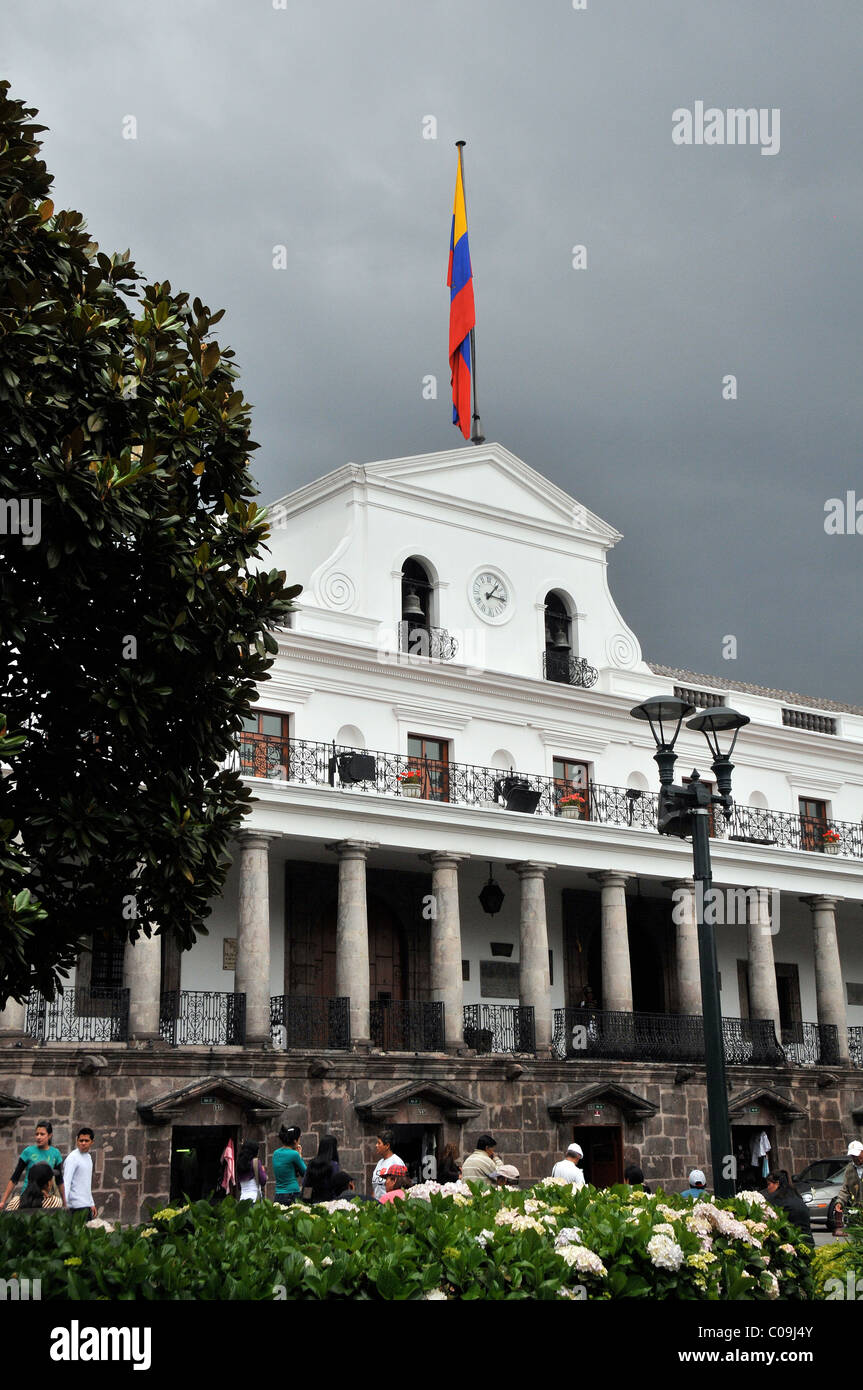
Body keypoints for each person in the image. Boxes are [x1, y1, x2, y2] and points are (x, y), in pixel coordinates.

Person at [0, 1121, 65, 1211]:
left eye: (42, 1134)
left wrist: (65, 1203)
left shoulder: (55, 1153)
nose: (38, 1137)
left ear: (50, 1135)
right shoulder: (28, 1152)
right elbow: (15, 1178)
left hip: (45, 1197)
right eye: (37, 1134)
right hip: (27, 1197)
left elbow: (59, 1181)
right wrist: (3, 1201)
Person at [764, 1170, 813, 1247]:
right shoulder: (795, 1194)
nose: (767, 1188)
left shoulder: (777, 1199)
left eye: (769, 1184)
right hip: (809, 1240)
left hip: (793, 1243)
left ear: (777, 1183)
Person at [62, 1127, 96, 1219]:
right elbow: (66, 1182)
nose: (83, 1143)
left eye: (86, 1140)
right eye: (81, 1140)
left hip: (86, 1205)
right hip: (74, 1207)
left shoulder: (88, 1157)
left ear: (92, 1142)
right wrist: (64, 1204)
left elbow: (86, 1183)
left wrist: (91, 1203)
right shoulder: (72, 1158)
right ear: (77, 1141)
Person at [272, 1125, 306, 1206]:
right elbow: (305, 1172)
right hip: (292, 1194)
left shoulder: (276, 1153)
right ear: (295, 1141)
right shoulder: (294, 1154)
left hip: (278, 1195)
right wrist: (300, 1155)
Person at [835, 1140, 863, 1231]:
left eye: (857, 1155)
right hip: (856, 1212)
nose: (855, 1158)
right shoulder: (849, 1169)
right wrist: (839, 1202)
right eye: (853, 1156)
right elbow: (845, 1189)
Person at [303, 1134, 340, 1202]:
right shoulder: (334, 1165)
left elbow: (306, 1184)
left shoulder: (311, 1163)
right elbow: (336, 1187)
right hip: (329, 1202)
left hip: (313, 1201)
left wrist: (306, 1202)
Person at [371, 1130, 406, 1199]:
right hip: (378, 1204)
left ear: (387, 1146)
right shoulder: (379, 1163)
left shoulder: (397, 1162)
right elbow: (376, 1187)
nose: (376, 1145)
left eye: (379, 1143)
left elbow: (401, 1188)